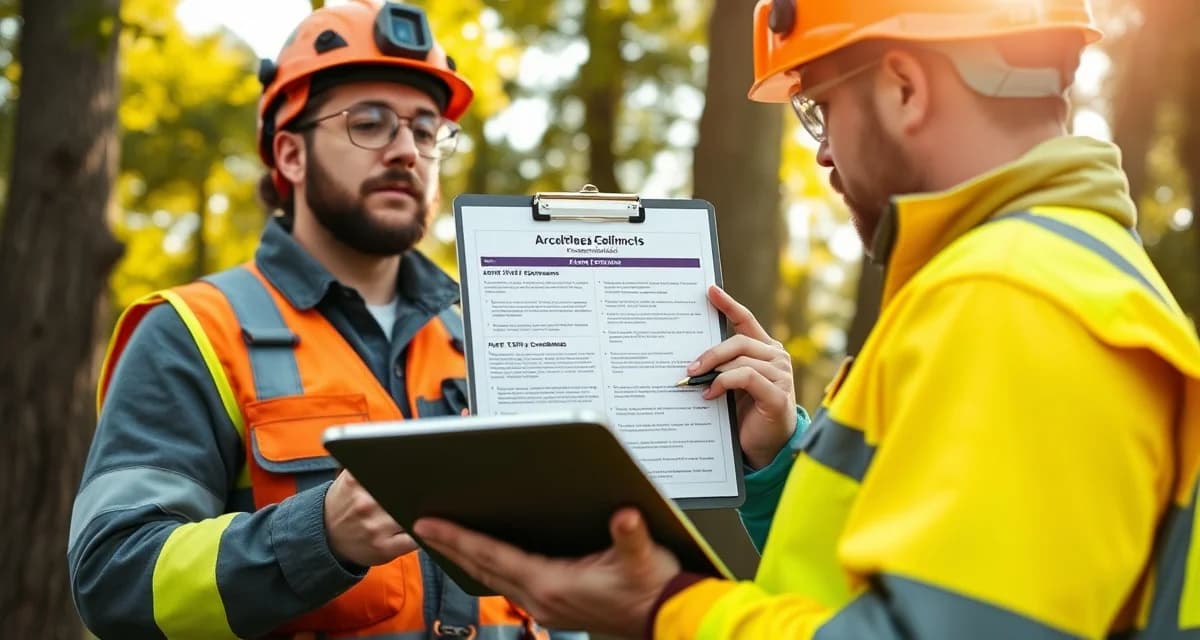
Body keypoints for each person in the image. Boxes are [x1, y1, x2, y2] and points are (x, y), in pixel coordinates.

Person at [412, 0, 1200, 638]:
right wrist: (780, 460)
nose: (821, 154)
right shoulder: (1057, 271)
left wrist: (664, 608)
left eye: (820, 107)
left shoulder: (1013, 300)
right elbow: (904, 576)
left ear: (904, 88)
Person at [68, 2, 591, 638]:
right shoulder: (192, 332)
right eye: (370, 124)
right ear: (290, 154)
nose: (407, 151)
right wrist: (319, 534)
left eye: (427, 131)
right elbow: (113, 579)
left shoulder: (492, 340)